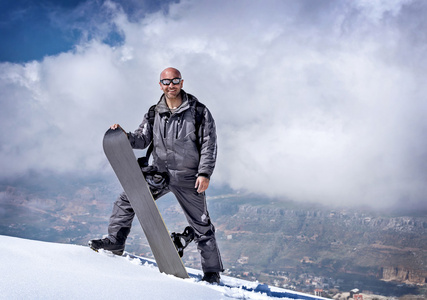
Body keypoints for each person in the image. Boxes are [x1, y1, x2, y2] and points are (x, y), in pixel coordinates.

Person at [89, 67, 223, 284]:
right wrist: (125, 136)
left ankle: (211, 271)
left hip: (189, 177)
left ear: (182, 82)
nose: (171, 85)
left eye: (175, 80)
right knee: (126, 200)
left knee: (202, 225)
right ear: (160, 84)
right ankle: (115, 241)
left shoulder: (199, 112)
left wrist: (205, 173)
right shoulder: (154, 112)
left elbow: (209, 144)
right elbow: (142, 139)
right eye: (166, 82)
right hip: (159, 173)